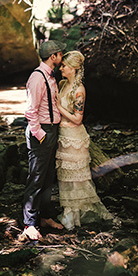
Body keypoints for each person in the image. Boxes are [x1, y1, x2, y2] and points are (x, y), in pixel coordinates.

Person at [55, 50, 113, 230]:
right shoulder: (62, 84)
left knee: (78, 177)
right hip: (62, 136)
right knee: (65, 177)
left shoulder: (79, 90)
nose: (61, 68)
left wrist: (58, 107)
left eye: (64, 66)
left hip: (75, 138)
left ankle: (79, 214)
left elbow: (78, 118)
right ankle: (69, 212)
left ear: (73, 68)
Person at [20, 39, 66, 241]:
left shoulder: (50, 75)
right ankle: (29, 224)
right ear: (53, 56)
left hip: (51, 130)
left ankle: (45, 217)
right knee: (36, 178)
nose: (62, 57)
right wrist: (41, 135)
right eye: (60, 54)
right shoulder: (37, 78)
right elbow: (30, 111)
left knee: (48, 178)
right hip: (42, 133)